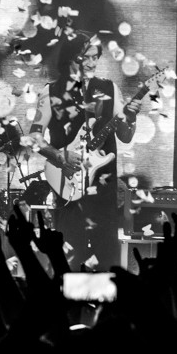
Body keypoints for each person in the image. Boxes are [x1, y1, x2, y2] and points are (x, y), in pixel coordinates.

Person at [36, 35, 137, 268]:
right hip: (68, 189)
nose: (91, 63)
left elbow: (125, 136)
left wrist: (131, 118)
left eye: (95, 57)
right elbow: (33, 137)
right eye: (85, 58)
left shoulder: (110, 89)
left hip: (103, 191)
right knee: (69, 261)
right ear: (70, 60)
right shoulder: (50, 92)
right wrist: (60, 156)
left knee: (108, 262)